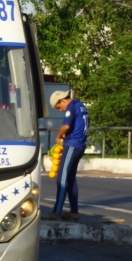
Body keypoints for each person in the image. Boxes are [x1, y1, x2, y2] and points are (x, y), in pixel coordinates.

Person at [48, 90, 89, 221]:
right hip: (80, 145)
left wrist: (58, 136)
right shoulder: (81, 105)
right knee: (70, 179)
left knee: (62, 178)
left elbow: (66, 126)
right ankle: (74, 212)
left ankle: (57, 211)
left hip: (72, 145)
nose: (60, 110)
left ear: (62, 101)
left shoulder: (71, 107)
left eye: (59, 107)